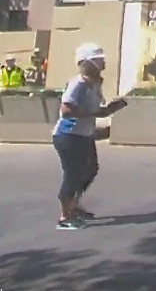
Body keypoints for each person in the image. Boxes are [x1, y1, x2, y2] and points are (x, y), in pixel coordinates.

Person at [52, 43, 127, 230]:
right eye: (99, 60)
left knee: (91, 169)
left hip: (84, 135)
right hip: (69, 135)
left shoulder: (94, 84)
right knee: (73, 174)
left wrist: (108, 110)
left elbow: (94, 111)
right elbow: (67, 109)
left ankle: (74, 205)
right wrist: (95, 113)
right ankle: (65, 216)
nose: (104, 63)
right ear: (88, 62)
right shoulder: (78, 83)